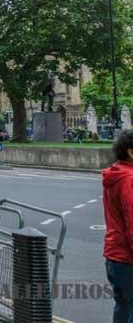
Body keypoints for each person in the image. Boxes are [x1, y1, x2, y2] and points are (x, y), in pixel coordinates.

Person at [103, 129, 133, 323]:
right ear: (131, 152)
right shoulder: (129, 179)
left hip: (114, 255)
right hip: (128, 257)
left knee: (122, 307)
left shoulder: (116, 174)